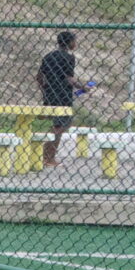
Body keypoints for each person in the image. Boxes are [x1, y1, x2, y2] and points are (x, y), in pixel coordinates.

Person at [35, 30, 89, 168]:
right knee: (62, 125)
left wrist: (46, 90)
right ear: (70, 42)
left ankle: (44, 153)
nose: (75, 43)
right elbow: (69, 78)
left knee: (58, 123)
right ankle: (48, 157)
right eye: (74, 41)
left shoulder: (48, 56)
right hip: (63, 95)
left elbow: (39, 77)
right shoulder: (68, 58)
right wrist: (83, 87)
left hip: (50, 93)